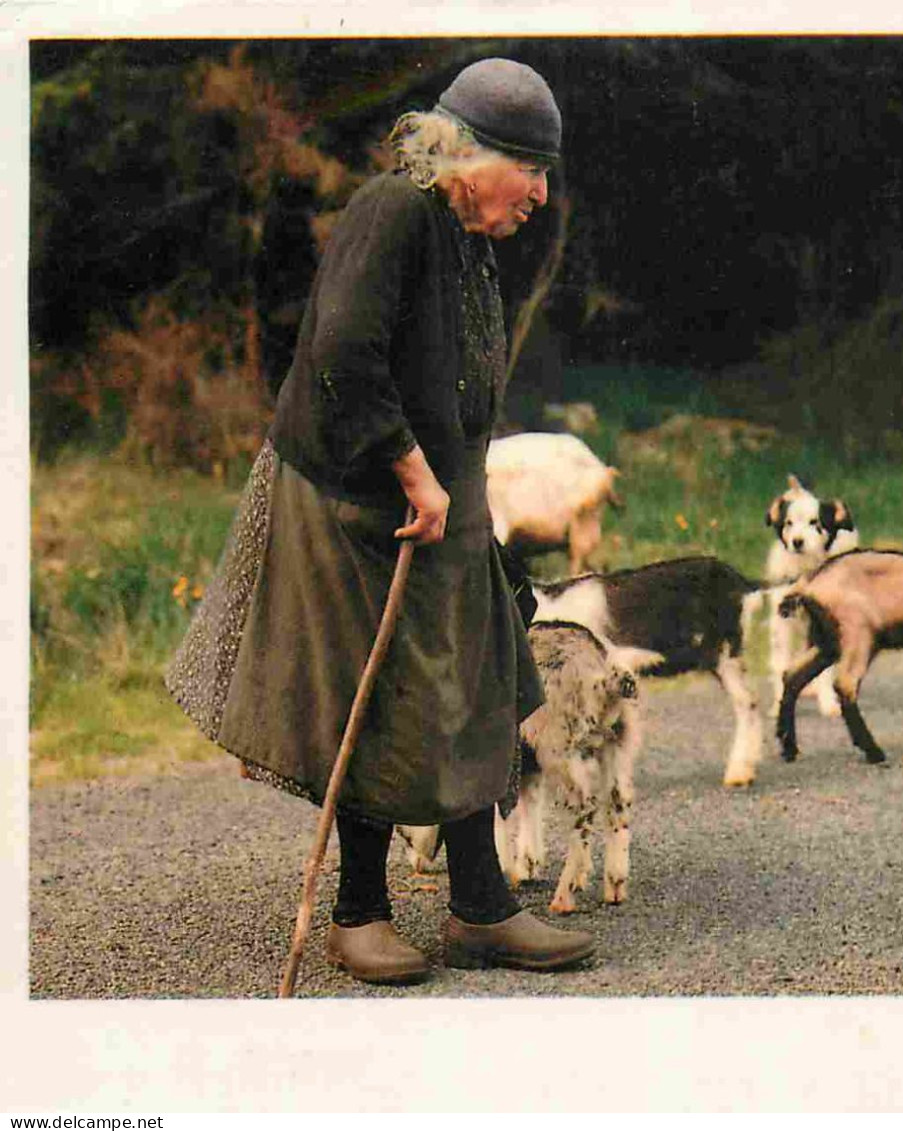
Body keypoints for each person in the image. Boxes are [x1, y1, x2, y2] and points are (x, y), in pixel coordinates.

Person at [166, 58, 594, 986]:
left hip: (443, 491)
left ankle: (480, 908)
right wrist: (415, 472)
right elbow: (342, 354)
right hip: (360, 499)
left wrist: (456, 479)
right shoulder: (393, 212)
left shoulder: (464, 230)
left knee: (478, 681)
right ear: (476, 156)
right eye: (534, 171)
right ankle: (359, 913)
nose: (542, 195)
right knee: (382, 692)